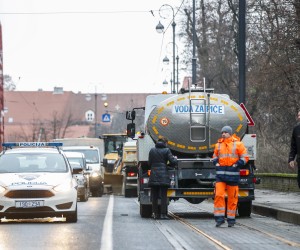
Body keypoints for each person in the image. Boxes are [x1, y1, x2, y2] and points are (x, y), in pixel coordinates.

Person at [212, 126, 249, 227]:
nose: (223, 134)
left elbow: (245, 157)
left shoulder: (238, 144)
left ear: (230, 133)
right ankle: (219, 219)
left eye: (225, 132)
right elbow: (214, 156)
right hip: (220, 176)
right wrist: (216, 163)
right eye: (222, 132)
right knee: (219, 195)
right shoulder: (218, 145)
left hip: (233, 175)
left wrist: (237, 164)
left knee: (232, 198)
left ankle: (231, 219)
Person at [148, 137, 178, 220]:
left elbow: (149, 163)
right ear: (165, 143)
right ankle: (163, 214)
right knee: (163, 195)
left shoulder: (152, 150)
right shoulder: (167, 150)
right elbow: (172, 161)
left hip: (154, 174)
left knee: (154, 195)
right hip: (163, 174)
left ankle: (154, 213)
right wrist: (175, 160)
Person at [288, 110, 300, 189]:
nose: (298, 117)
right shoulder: (296, 129)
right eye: (298, 115)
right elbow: (293, 146)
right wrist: (291, 159)